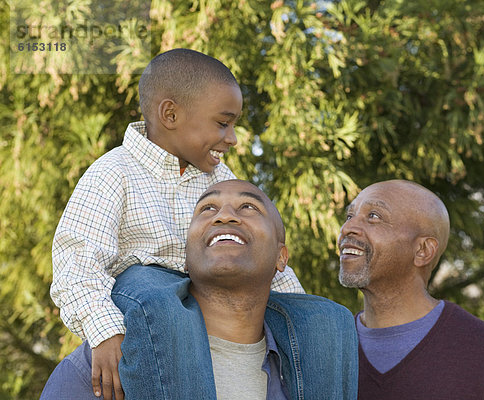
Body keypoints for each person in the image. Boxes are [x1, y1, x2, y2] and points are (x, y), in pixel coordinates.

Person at [51, 49, 303, 400]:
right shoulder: (114, 172)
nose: (232, 138)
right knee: (161, 296)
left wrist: (298, 308)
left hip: (203, 298)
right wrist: (104, 331)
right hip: (145, 299)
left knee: (323, 317)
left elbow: (258, 245)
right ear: (170, 114)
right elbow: (76, 263)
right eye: (222, 122)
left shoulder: (218, 179)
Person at [42, 180, 358, 399]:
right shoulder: (107, 367)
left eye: (249, 207)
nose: (224, 215)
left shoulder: (316, 363)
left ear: (281, 257)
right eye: (207, 209)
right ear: (187, 258)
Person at [337, 179, 484, 399]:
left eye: (374, 216)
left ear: (423, 250)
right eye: (350, 216)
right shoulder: (323, 353)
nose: (347, 228)